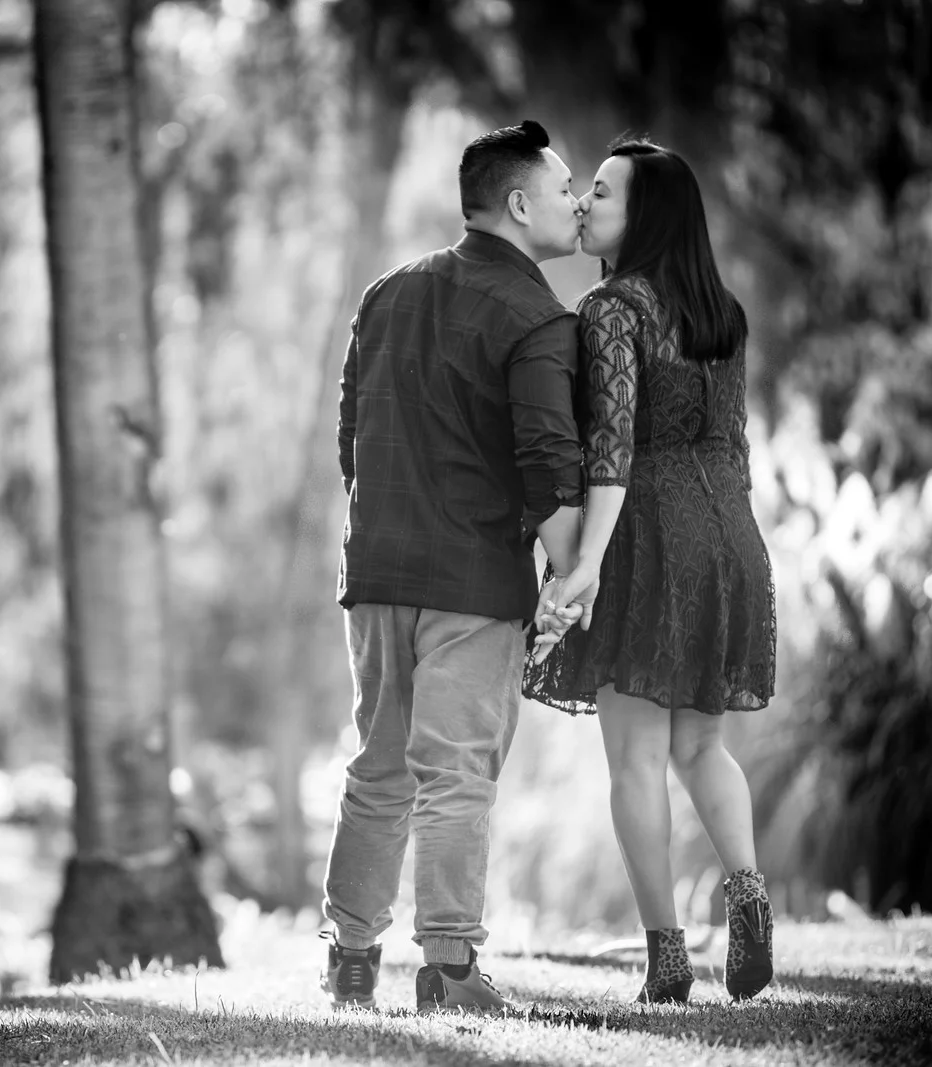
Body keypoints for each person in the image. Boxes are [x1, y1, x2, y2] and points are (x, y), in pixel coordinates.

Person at [318, 120, 587, 1013]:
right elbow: (549, 462)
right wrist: (569, 578)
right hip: (473, 582)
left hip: (378, 573)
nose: (575, 202)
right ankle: (449, 969)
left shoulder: (385, 293)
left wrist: (385, 526)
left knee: (379, 767)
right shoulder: (539, 318)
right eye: (562, 189)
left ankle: (351, 962)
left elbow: (351, 440)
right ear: (518, 205)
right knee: (456, 776)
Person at [526, 138, 777, 1004]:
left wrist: (584, 564)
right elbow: (734, 445)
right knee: (702, 746)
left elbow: (612, 446)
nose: (583, 204)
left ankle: (668, 956)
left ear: (649, 215)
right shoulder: (723, 313)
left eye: (601, 192)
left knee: (636, 758)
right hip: (729, 534)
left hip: (643, 532)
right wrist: (731, 546)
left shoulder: (610, 309)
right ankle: (748, 897)